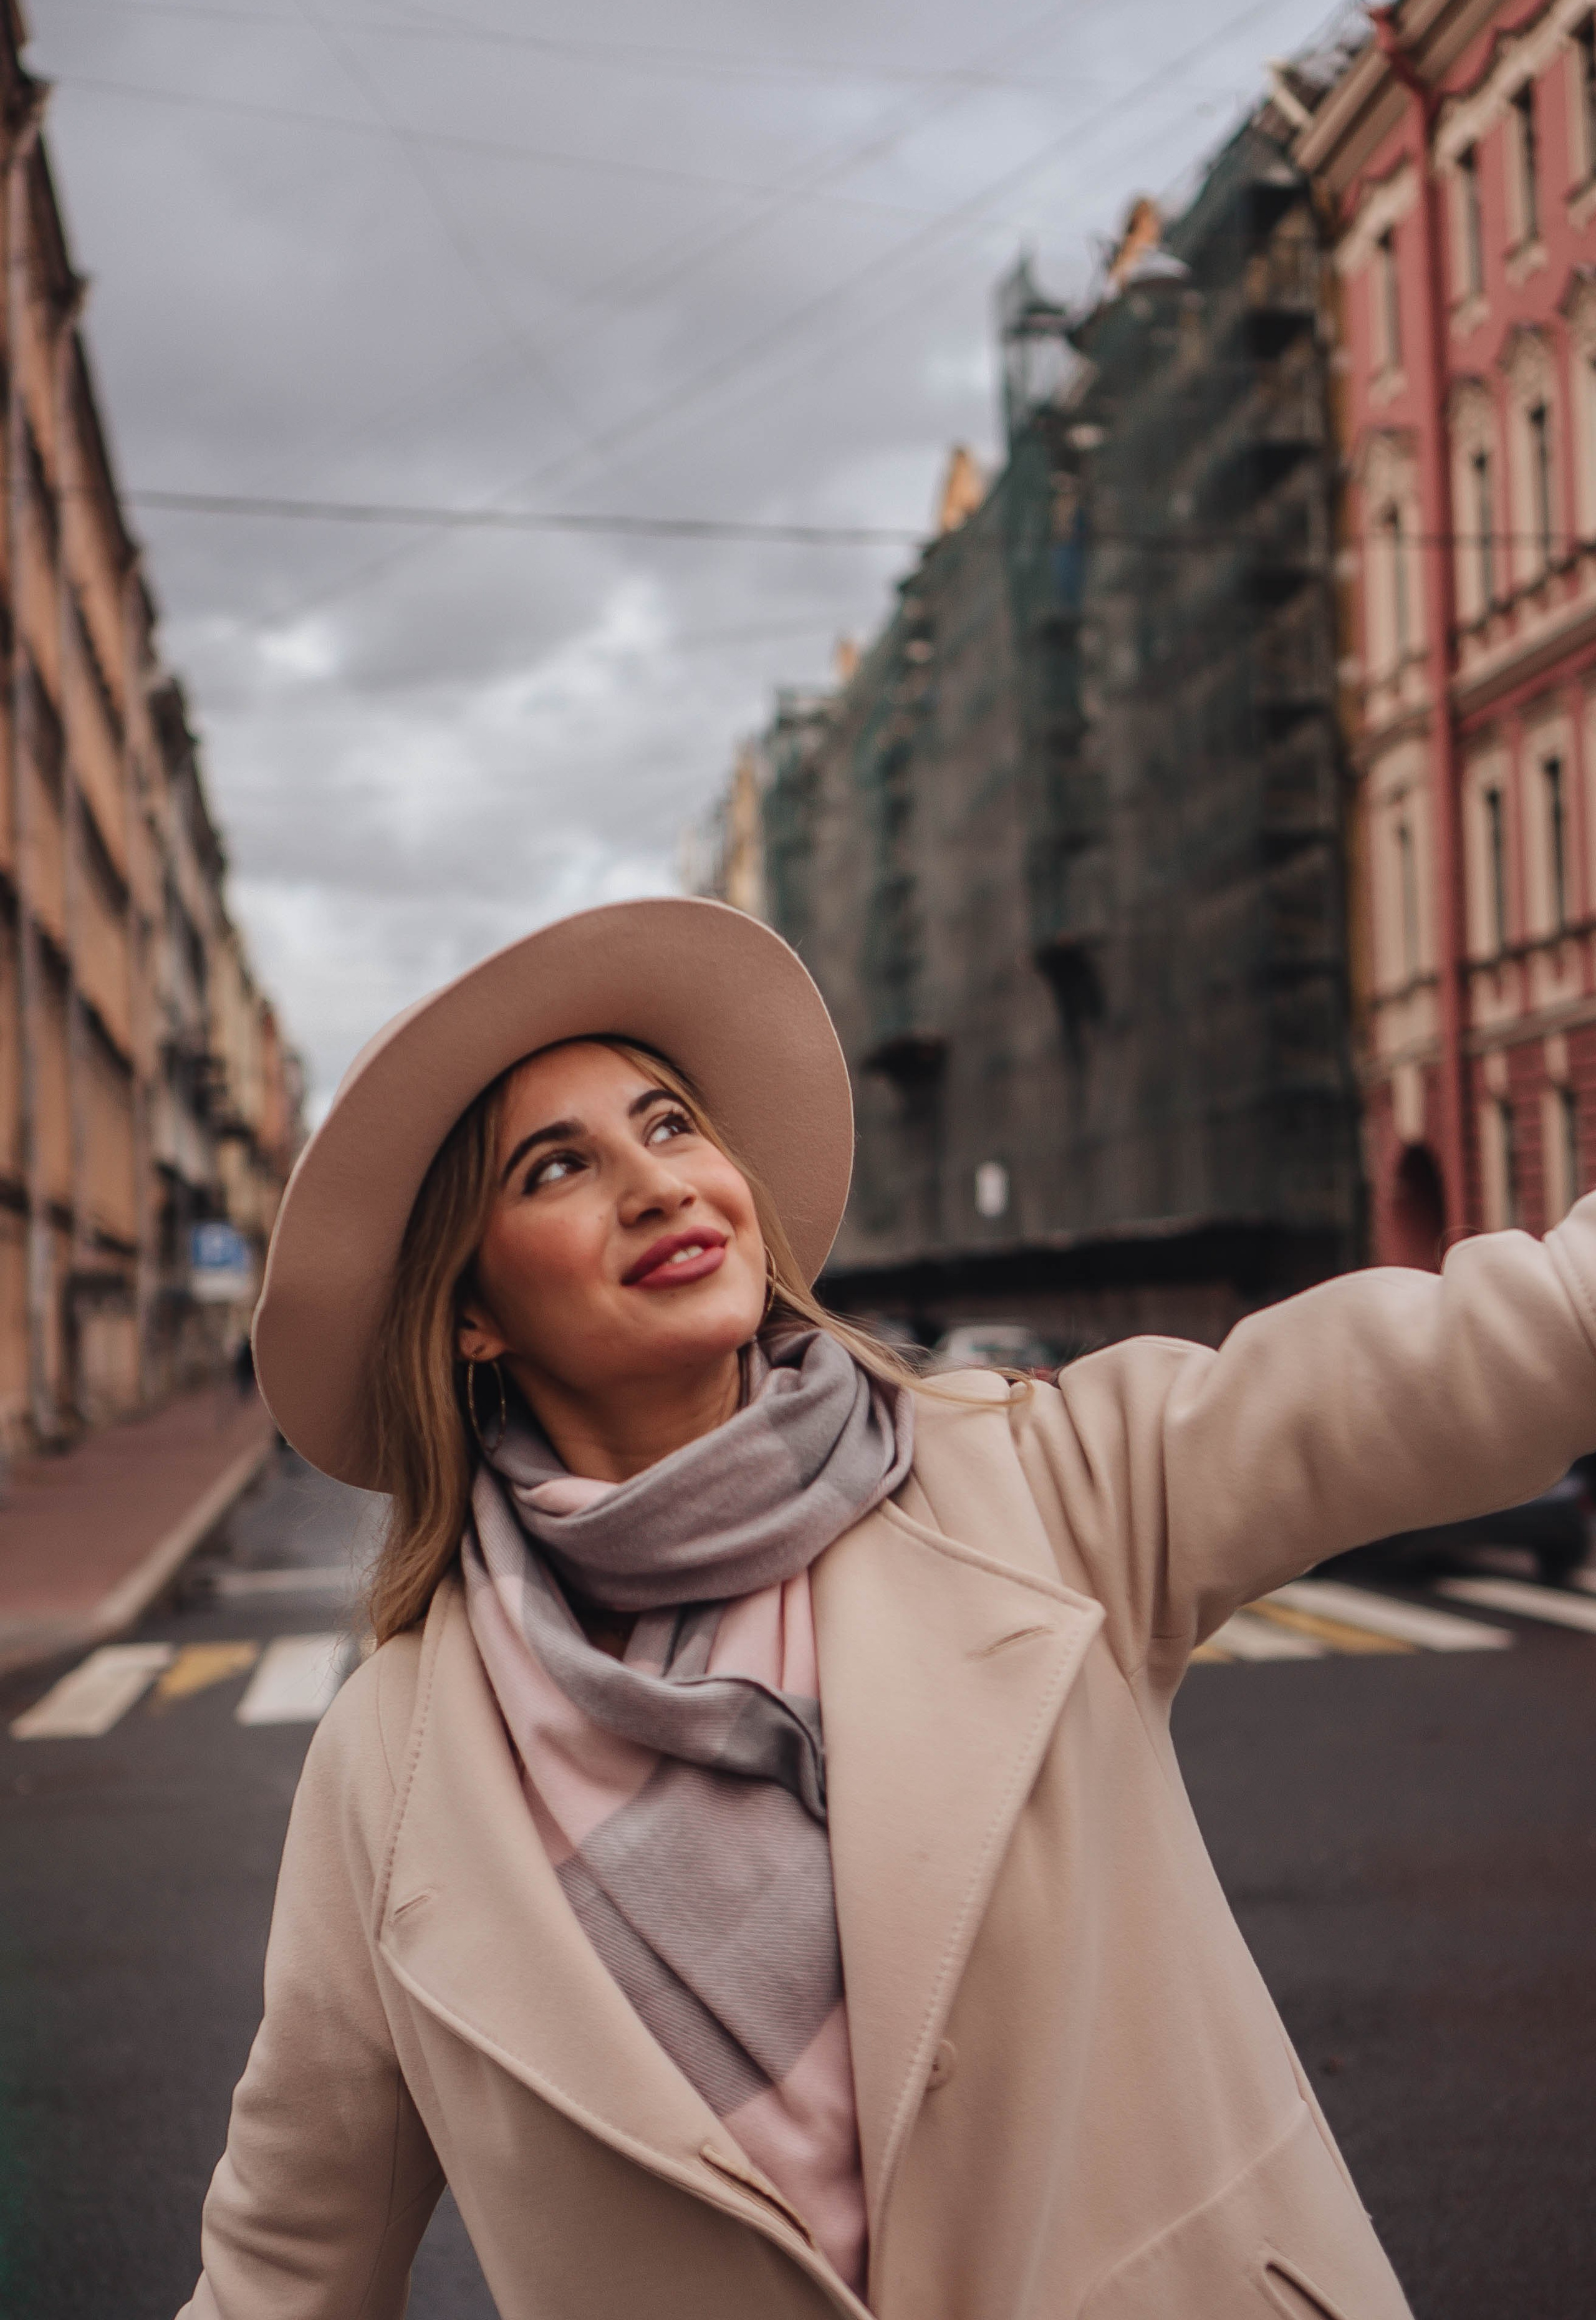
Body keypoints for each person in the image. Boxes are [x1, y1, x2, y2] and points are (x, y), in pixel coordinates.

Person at [180, 897, 1596, 2320]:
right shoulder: (394, 1767)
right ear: (469, 1313)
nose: (658, 1184)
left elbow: (1501, 1347)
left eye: (671, 1126)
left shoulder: (1040, 1482)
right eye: (558, 1168)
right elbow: (284, 2270)